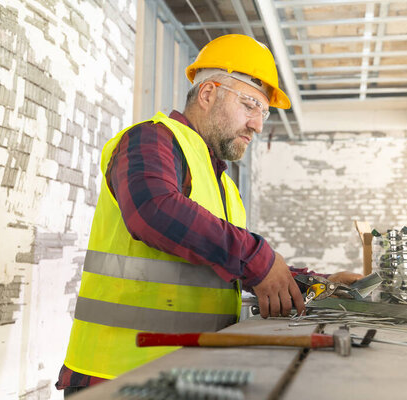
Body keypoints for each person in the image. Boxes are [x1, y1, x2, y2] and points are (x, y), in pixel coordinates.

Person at [55, 34, 362, 396]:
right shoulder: (150, 140)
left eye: (263, 112)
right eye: (250, 105)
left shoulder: (225, 187)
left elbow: (227, 265)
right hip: (118, 374)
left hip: (186, 375)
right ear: (207, 94)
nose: (257, 125)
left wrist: (318, 282)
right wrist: (255, 257)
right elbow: (151, 210)